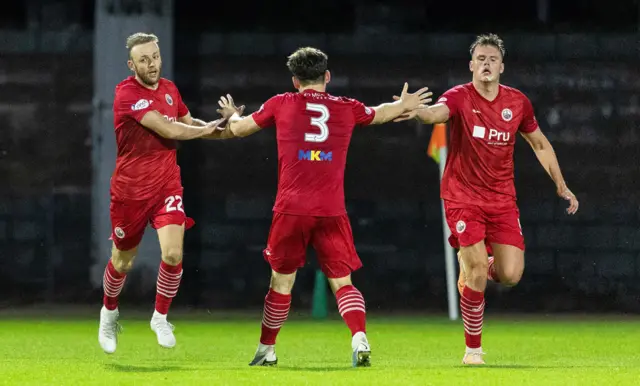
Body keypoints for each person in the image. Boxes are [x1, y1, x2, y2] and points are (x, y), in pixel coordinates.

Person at [216, 47, 432, 367]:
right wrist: (404, 104)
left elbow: (238, 129)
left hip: (291, 208)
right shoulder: (346, 108)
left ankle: (267, 350)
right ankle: (359, 337)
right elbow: (381, 112)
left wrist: (231, 113)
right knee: (342, 282)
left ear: (294, 80)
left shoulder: (281, 103)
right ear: (327, 76)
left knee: (281, 282)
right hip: (331, 209)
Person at [393, 33, 579, 365]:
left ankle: (476, 268)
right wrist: (415, 110)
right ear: (471, 66)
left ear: (502, 66)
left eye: (492, 59)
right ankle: (473, 350)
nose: (486, 64)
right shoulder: (460, 97)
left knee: (510, 275)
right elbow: (436, 113)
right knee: (476, 267)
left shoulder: (517, 102)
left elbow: (538, 143)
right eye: (480, 59)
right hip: (462, 196)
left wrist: (561, 184)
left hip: (502, 200)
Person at [98, 32, 231, 354]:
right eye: (143, 60)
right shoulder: (126, 93)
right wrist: (207, 129)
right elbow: (169, 129)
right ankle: (109, 312)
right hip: (130, 190)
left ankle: (159, 317)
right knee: (123, 261)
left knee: (172, 255)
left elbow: (189, 122)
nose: (152, 64)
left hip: (167, 186)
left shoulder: (170, 89)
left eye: (155, 57)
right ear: (132, 65)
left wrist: (227, 127)